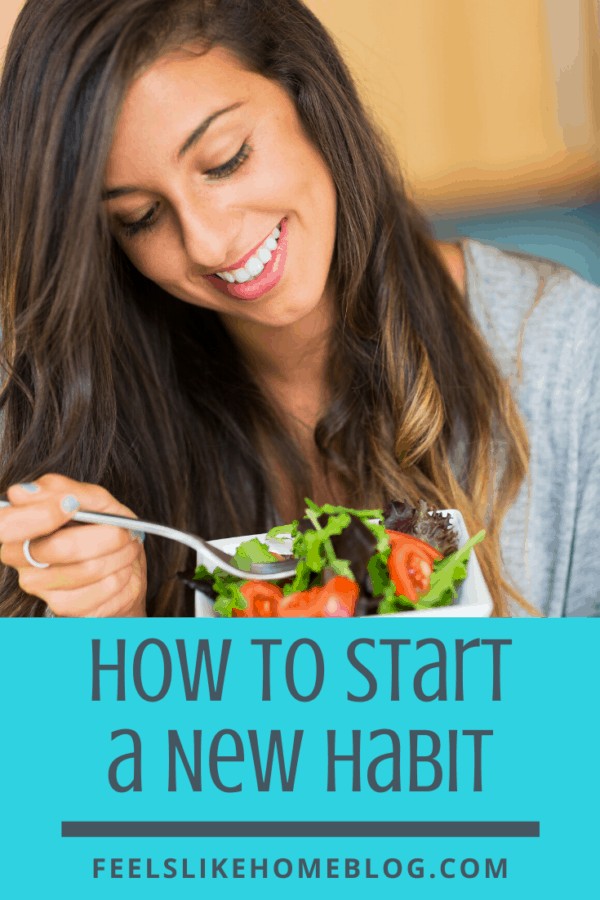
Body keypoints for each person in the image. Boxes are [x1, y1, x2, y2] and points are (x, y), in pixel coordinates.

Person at [0, 0, 597, 618]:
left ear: (307, 93)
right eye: (140, 218)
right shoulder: (72, 419)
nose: (207, 242)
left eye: (227, 158)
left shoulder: (569, 355)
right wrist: (112, 636)